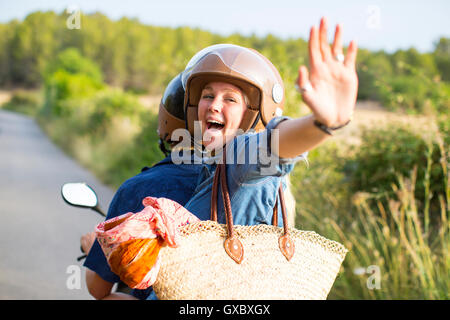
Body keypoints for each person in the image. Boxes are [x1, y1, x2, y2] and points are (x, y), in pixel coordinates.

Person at [182, 17, 358, 230]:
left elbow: (273, 145)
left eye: (230, 99)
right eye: (208, 96)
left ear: (253, 116)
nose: (214, 106)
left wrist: (321, 124)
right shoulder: (212, 169)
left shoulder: (240, 158)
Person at [81, 73, 203, 300]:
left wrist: (93, 250)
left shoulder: (139, 188)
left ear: (168, 120)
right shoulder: (245, 188)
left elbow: (98, 288)